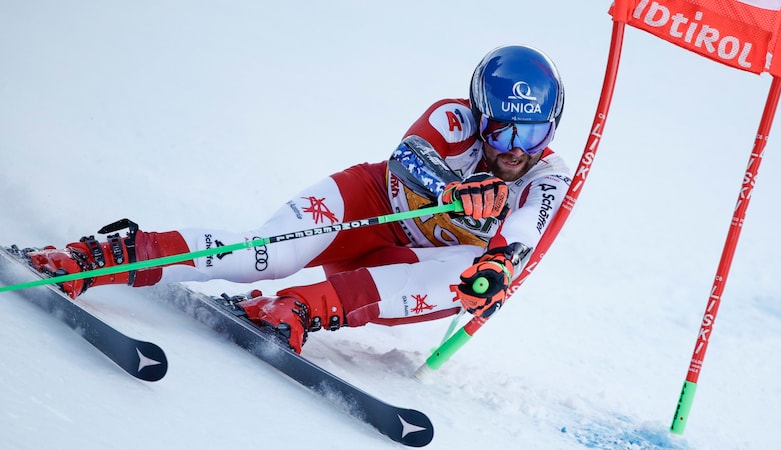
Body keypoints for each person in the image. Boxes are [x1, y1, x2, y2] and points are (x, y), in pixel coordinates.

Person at [27, 45, 572, 354]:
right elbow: (408, 158)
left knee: (470, 273)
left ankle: (297, 309)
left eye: (532, 134)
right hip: (370, 207)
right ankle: (97, 258)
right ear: (480, 114)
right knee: (263, 253)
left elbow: (526, 233)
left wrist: (500, 265)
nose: (515, 150)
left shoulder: (548, 176)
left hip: (406, 264)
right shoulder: (451, 118)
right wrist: (453, 193)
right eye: (501, 132)